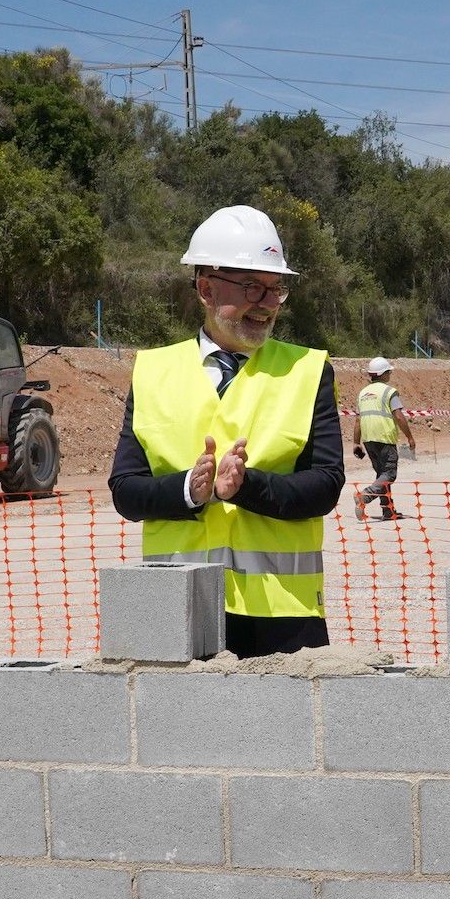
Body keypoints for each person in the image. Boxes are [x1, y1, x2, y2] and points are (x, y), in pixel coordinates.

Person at [108, 205, 344, 657]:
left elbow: (325, 485)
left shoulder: (309, 369)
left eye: (276, 289)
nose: (267, 303)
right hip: (178, 606)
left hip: (282, 614)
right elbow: (126, 491)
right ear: (206, 289)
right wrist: (188, 491)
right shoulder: (153, 371)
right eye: (253, 287)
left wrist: (245, 487)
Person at [351, 356, 417, 521]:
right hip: (384, 438)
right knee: (389, 474)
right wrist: (409, 437)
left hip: (368, 439)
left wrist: (356, 442)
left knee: (382, 475)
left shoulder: (363, 394)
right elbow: (399, 416)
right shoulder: (389, 392)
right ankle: (364, 496)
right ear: (382, 374)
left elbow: (358, 420)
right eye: (388, 371)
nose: (390, 374)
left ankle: (388, 511)